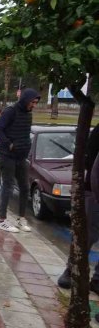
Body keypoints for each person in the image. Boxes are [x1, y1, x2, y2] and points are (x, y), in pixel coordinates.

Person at [58, 123, 99, 295]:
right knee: (86, 234)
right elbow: (92, 165)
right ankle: (71, 270)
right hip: (94, 191)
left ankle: (97, 280)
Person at [0, 88, 40, 232]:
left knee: (25, 187)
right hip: (7, 155)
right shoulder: (10, 111)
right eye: (33, 102)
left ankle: (21, 219)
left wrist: (26, 146)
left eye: (36, 102)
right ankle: (1, 220)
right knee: (8, 186)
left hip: (21, 156)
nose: (34, 105)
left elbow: (25, 133)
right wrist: (9, 143)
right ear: (26, 100)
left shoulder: (28, 114)